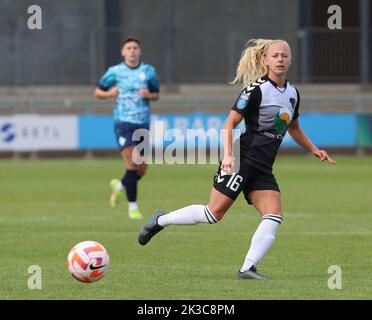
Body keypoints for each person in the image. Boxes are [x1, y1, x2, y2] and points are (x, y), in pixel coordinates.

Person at [138, 38, 336, 279]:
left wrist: (314, 149)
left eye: (284, 55)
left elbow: (293, 126)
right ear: (265, 60)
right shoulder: (257, 89)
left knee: (274, 215)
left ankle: (247, 268)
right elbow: (229, 123)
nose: (280, 59)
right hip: (243, 158)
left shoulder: (293, 93)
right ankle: (161, 220)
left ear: (291, 60)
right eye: (275, 55)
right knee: (213, 214)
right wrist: (229, 157)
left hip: (263, 166)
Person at [94, 37, 160, 219]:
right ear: (123, 52)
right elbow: (97, 92)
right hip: (123, 123)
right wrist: (109, 93)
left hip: (143, 123)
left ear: (139, 51)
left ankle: (120, 186)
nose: (132, 51)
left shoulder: (148, 72)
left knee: (141, 168)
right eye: (128, 48)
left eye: (135, 48)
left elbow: (156, 94)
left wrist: (149, 95)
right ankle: (133, 207)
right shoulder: (115, 72)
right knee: (131, 162)